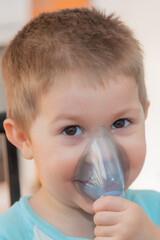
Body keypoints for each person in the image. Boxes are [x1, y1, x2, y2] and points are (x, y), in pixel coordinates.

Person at [0, 7, 160, 240]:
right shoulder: (10, 233)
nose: (104, 155)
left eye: (120, 122)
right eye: (72, 130)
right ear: (24, 138)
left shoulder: (154, 212)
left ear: (144, 114)